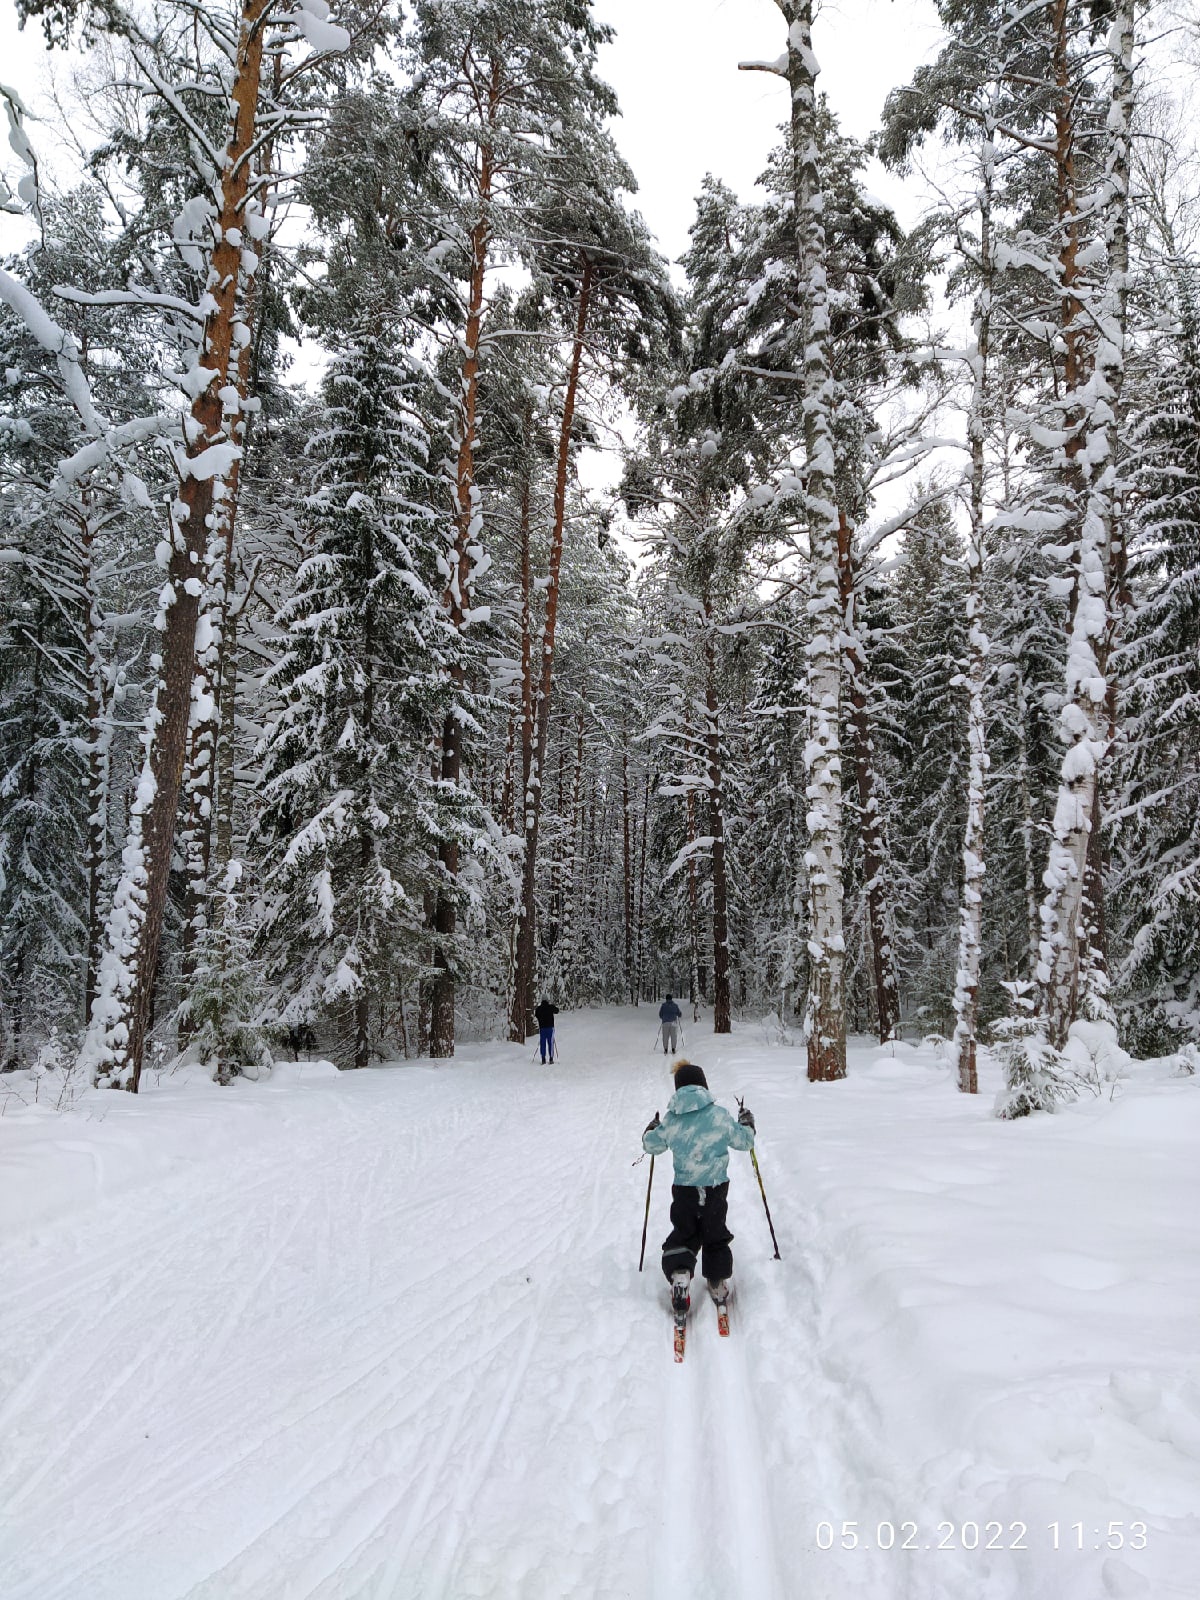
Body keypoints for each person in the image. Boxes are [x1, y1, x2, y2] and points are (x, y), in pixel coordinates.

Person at [641, 1061, 756, 1313]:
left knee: (685, 1231)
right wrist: (747, 1123)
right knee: (715, 1232)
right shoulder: (719, 1115)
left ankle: (680, 1272)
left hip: (685, 1190)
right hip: (715, 1187)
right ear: (703, 1085)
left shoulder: (672, 1120)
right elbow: (745, 1142)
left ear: (679, 1088)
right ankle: (717, 1280)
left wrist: (651, 1128)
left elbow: (651, 1146)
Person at [534, 997, 557, 1063]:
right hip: (550, 1028)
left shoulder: (538, 1008)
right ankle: (551, 1058)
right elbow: (557, 1011)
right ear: (547, 1000)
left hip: (542, 1028)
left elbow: (536, 1015)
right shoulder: (551, 1007)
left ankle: (543, 1058)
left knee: (543, 1043)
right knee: (551, 1043)